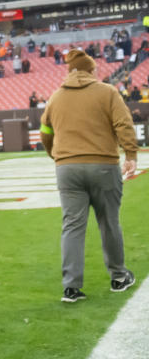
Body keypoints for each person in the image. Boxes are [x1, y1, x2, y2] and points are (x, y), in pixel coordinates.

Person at [40, 49, 138, 303]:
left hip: (67, 168)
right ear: (91, 70)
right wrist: (130, 154)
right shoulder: (107, 92)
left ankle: (71, 287)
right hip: (103, 164)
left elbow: (45, 131)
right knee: (109, 222)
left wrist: (57, 156)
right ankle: (118, 277)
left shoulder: (55, 97)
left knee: (72, 227)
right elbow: (123, 124)